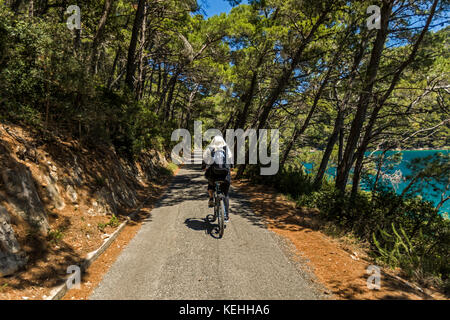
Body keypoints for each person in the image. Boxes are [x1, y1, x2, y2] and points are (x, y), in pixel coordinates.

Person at [202, 135, 233, 222]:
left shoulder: (210, 149)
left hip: (214, 176)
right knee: (226, 194)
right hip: (225, 176)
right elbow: (231, 161)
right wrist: (231, 167)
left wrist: (204, 167)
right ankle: (226, 216)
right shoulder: (227, 149)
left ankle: (211, 198)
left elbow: (204, 160)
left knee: (210, 184)